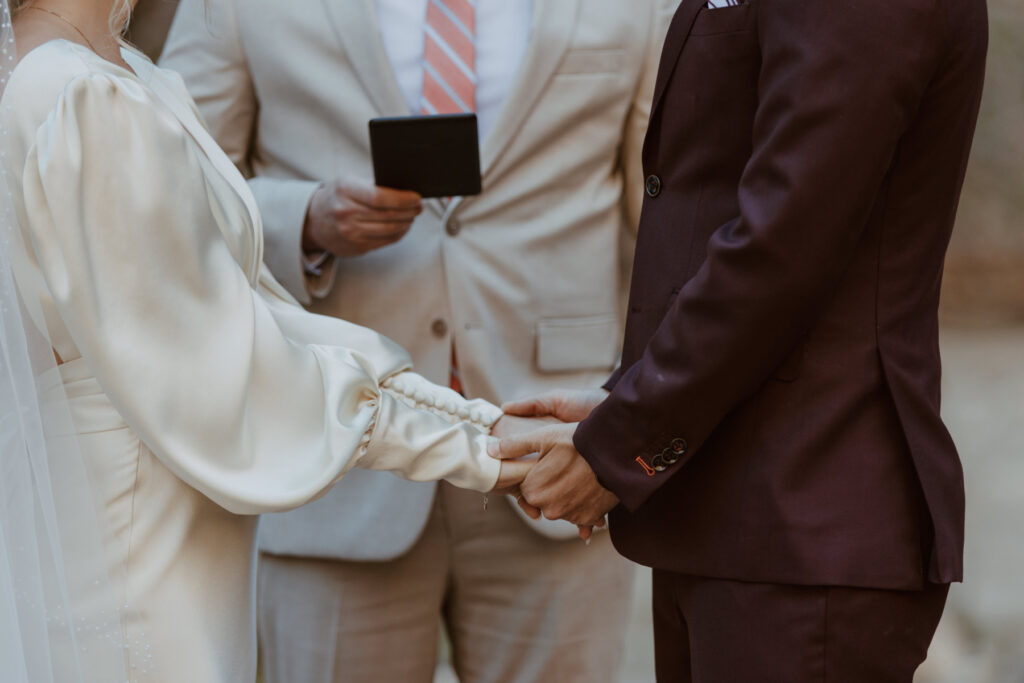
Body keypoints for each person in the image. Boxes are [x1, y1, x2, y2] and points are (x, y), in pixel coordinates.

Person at [0, 1, 537, 681]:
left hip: (147, 520)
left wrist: (479, 423)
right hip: (136, 541)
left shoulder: (109, 72)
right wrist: (481, 450)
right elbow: (227, 371)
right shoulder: (80, 96)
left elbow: (255, 312)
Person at [160, 1, 676, 681]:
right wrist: (304, 222)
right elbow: (170, 180)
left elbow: (671, 207)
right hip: (334, 455)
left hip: (559, 454)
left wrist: (647, 412)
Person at [497, 0, 990, 680]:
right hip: (734, 514)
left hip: (803, 516)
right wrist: (624, 405)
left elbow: (783, 243)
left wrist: (624, 441)